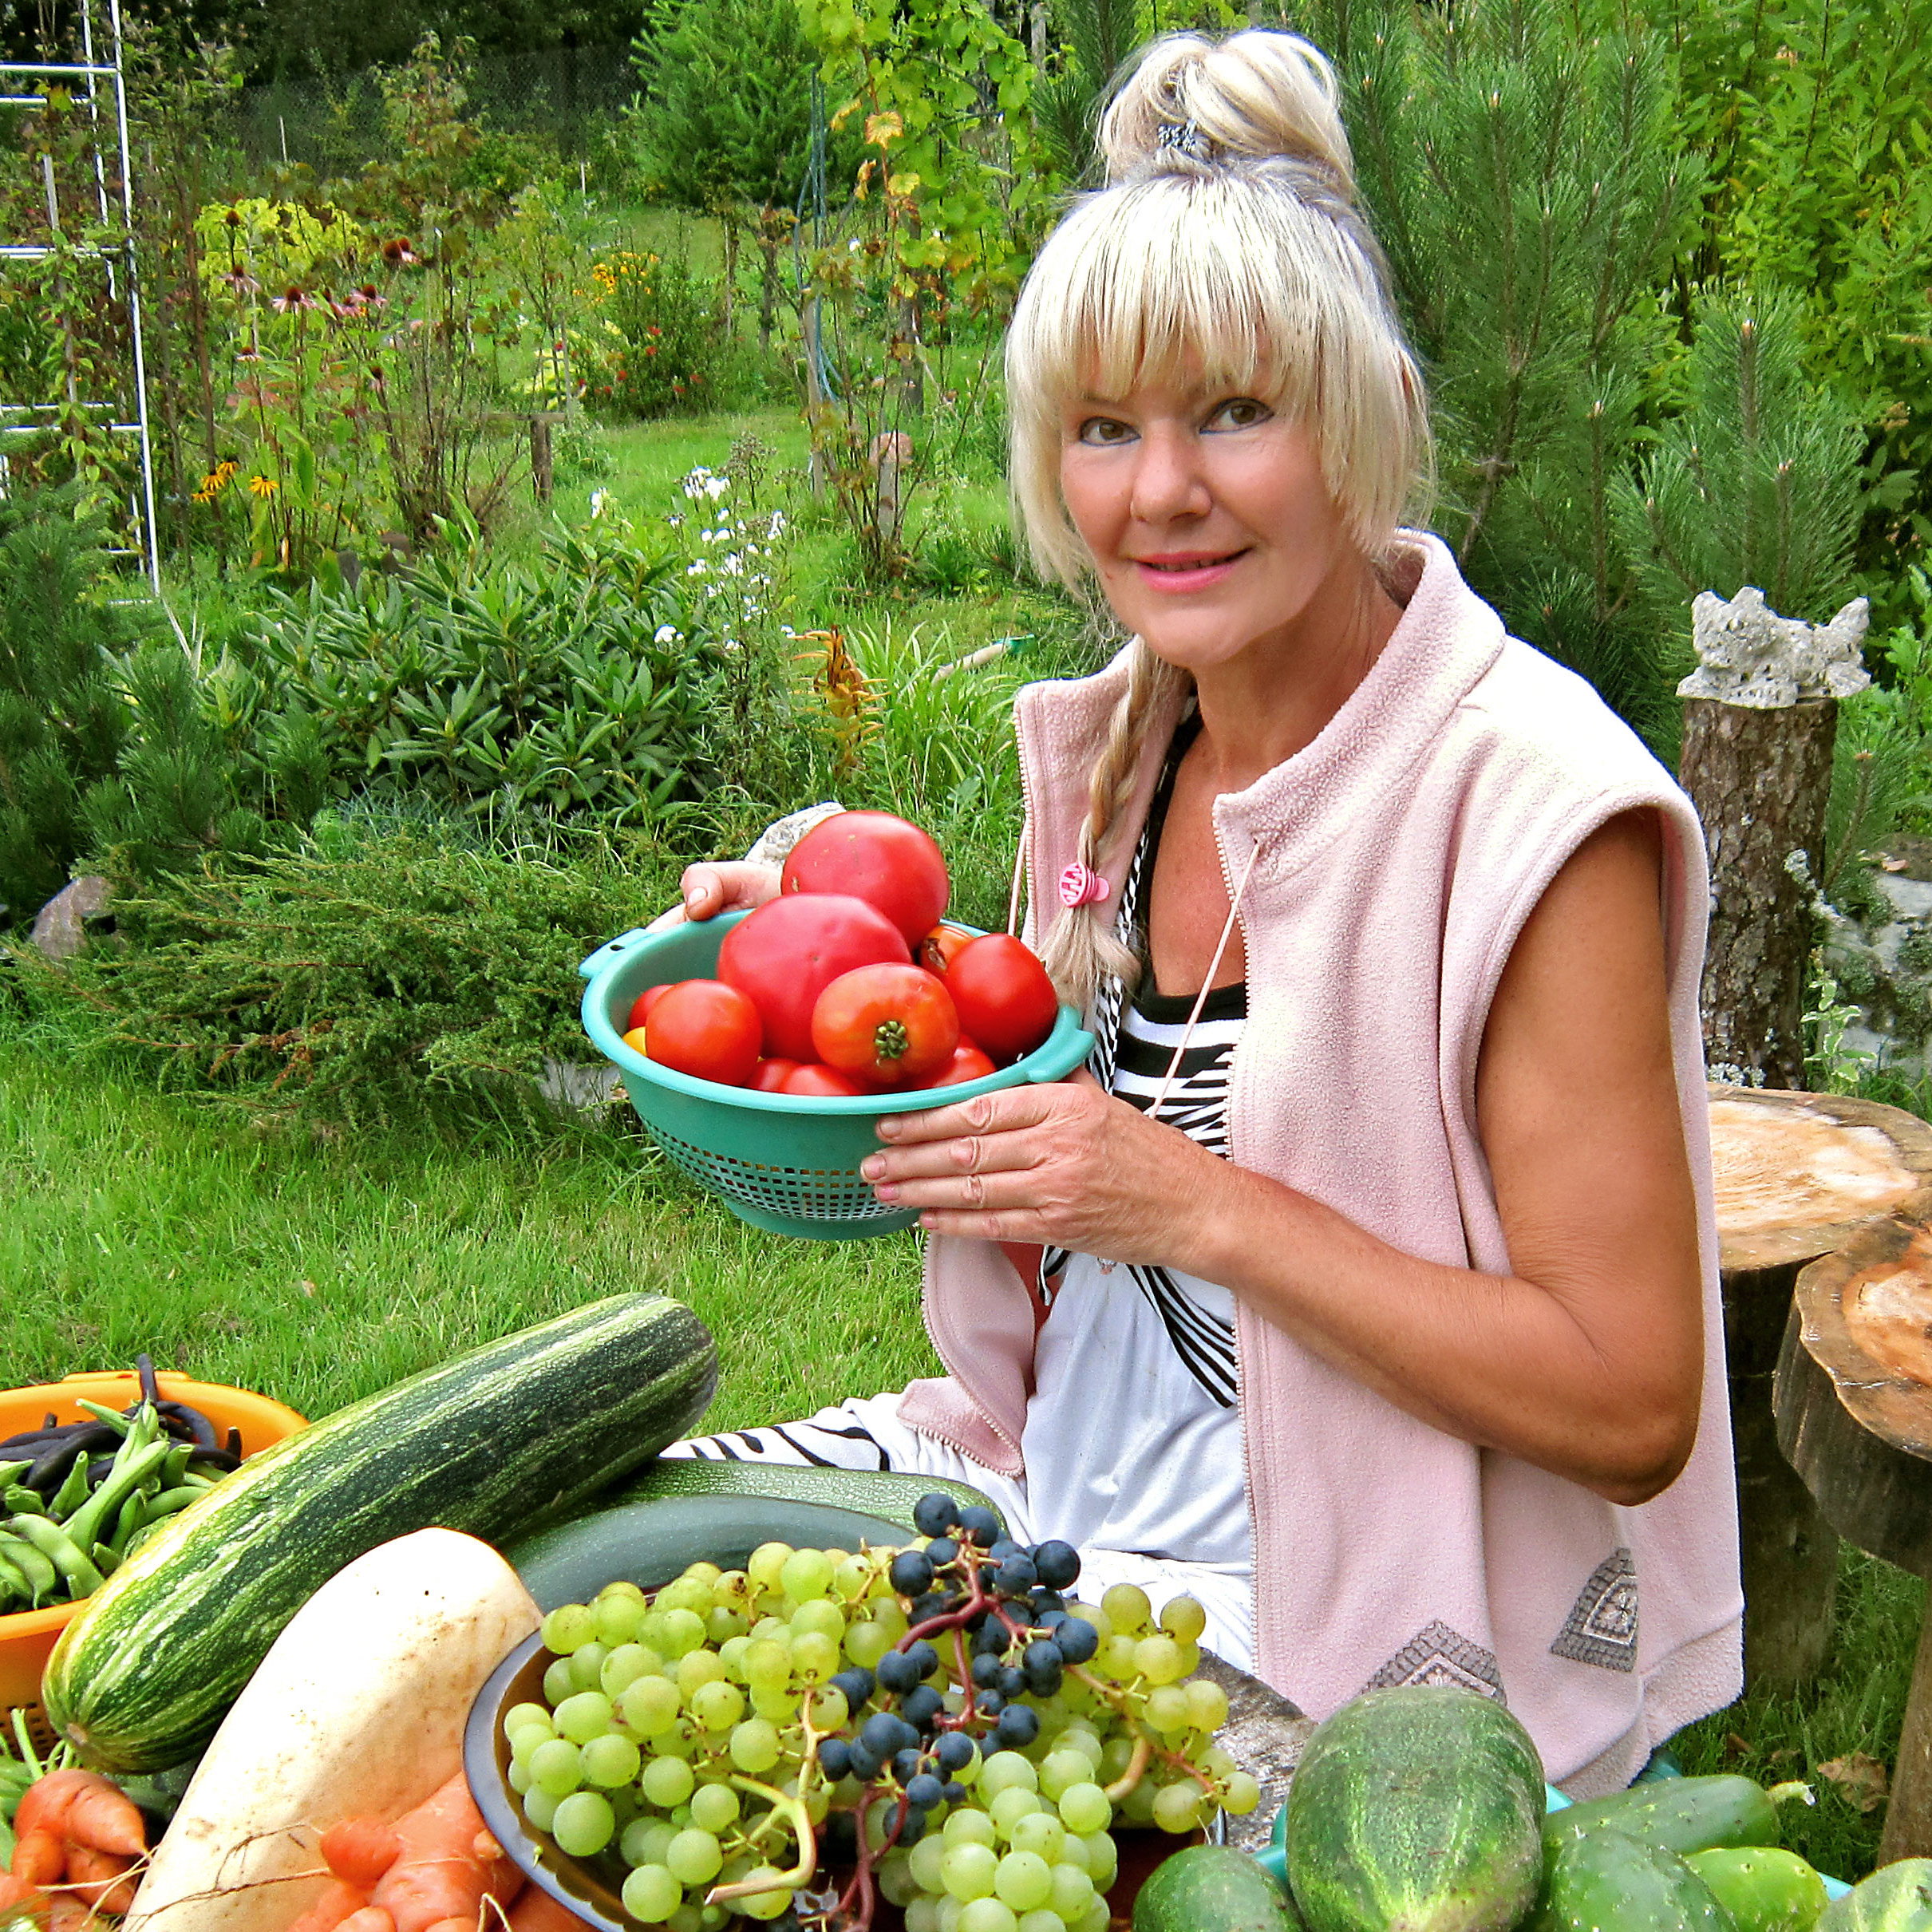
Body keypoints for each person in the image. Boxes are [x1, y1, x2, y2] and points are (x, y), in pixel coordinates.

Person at [658, 28, 1741, 1793]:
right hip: (1046, 1495)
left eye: (1232, 410)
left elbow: (1627, 1400)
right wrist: (821, 946)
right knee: (590, 1547)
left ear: (1362, 415)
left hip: (1346, 1644)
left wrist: (1194, 1208)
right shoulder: (1127, 751)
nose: (1156, 491)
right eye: (1102, 428)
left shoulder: (1534, 813)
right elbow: (1036, 1080)